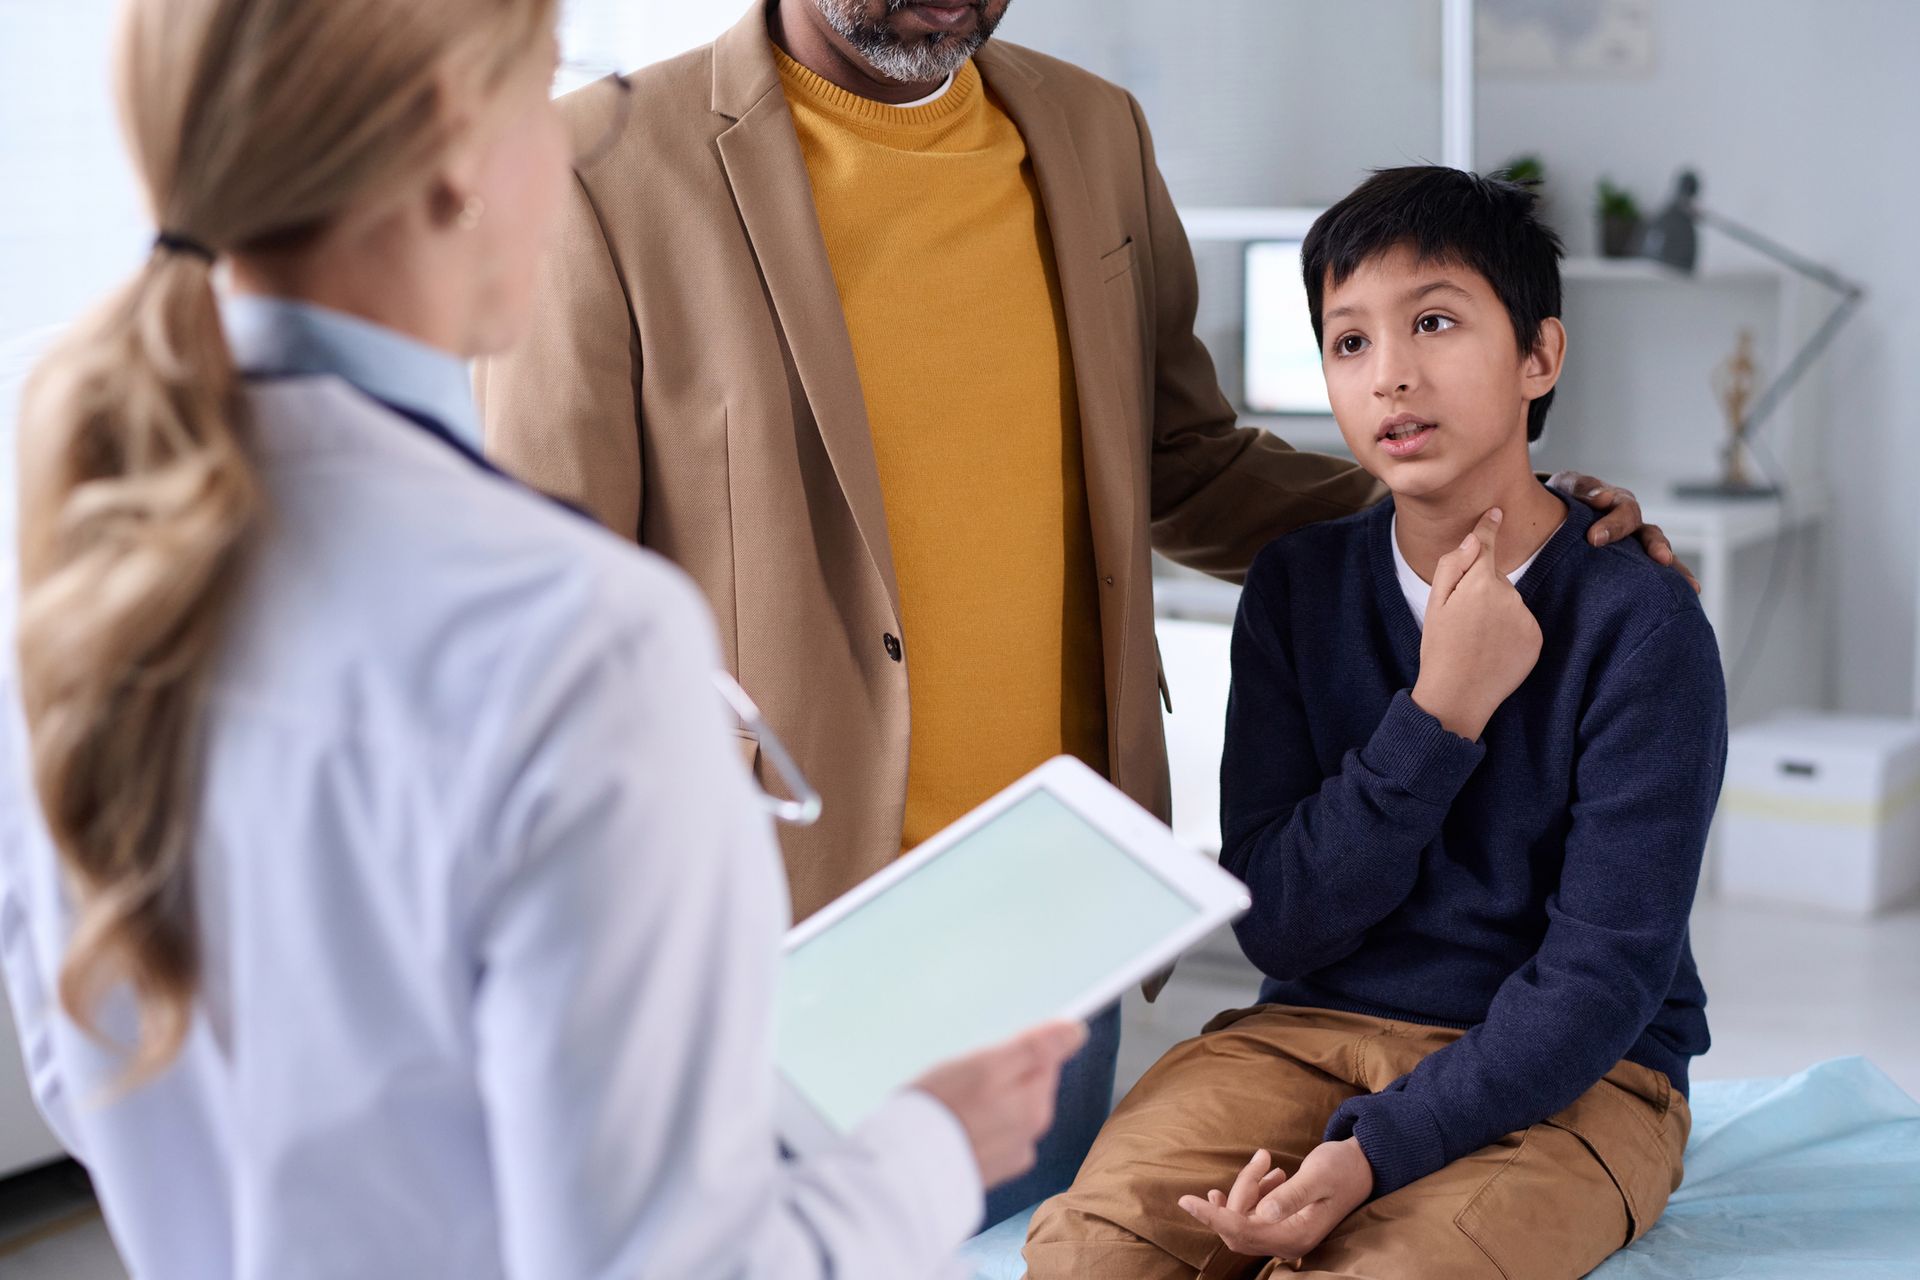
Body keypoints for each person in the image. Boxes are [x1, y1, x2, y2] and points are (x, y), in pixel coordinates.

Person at [476, 0, 1690, 1222]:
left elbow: (1185, 461)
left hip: (1052, 900)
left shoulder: (1091, 132)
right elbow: (536, 607)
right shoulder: (595, 169)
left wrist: (1501, 520)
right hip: (770, 916)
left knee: (1052, 1246)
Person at [0, 1, 1082, 1275]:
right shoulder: (576, 640)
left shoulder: (87, 572)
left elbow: (91, 1073)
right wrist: (933, 1146)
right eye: (551, 97)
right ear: (460, 143)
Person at [1023, 167, 1728, 1278]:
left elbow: (1603, 977)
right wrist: (1438, 715)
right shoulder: (1297, 589)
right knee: (1084, 1251)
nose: (1392, 373)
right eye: (1349, 342)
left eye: (1436, 322)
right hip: (1299, 1038)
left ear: (1539, 355)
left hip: (1580, 1079)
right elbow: (1280, 926)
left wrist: (1369, 1157)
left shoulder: (1640, 620)